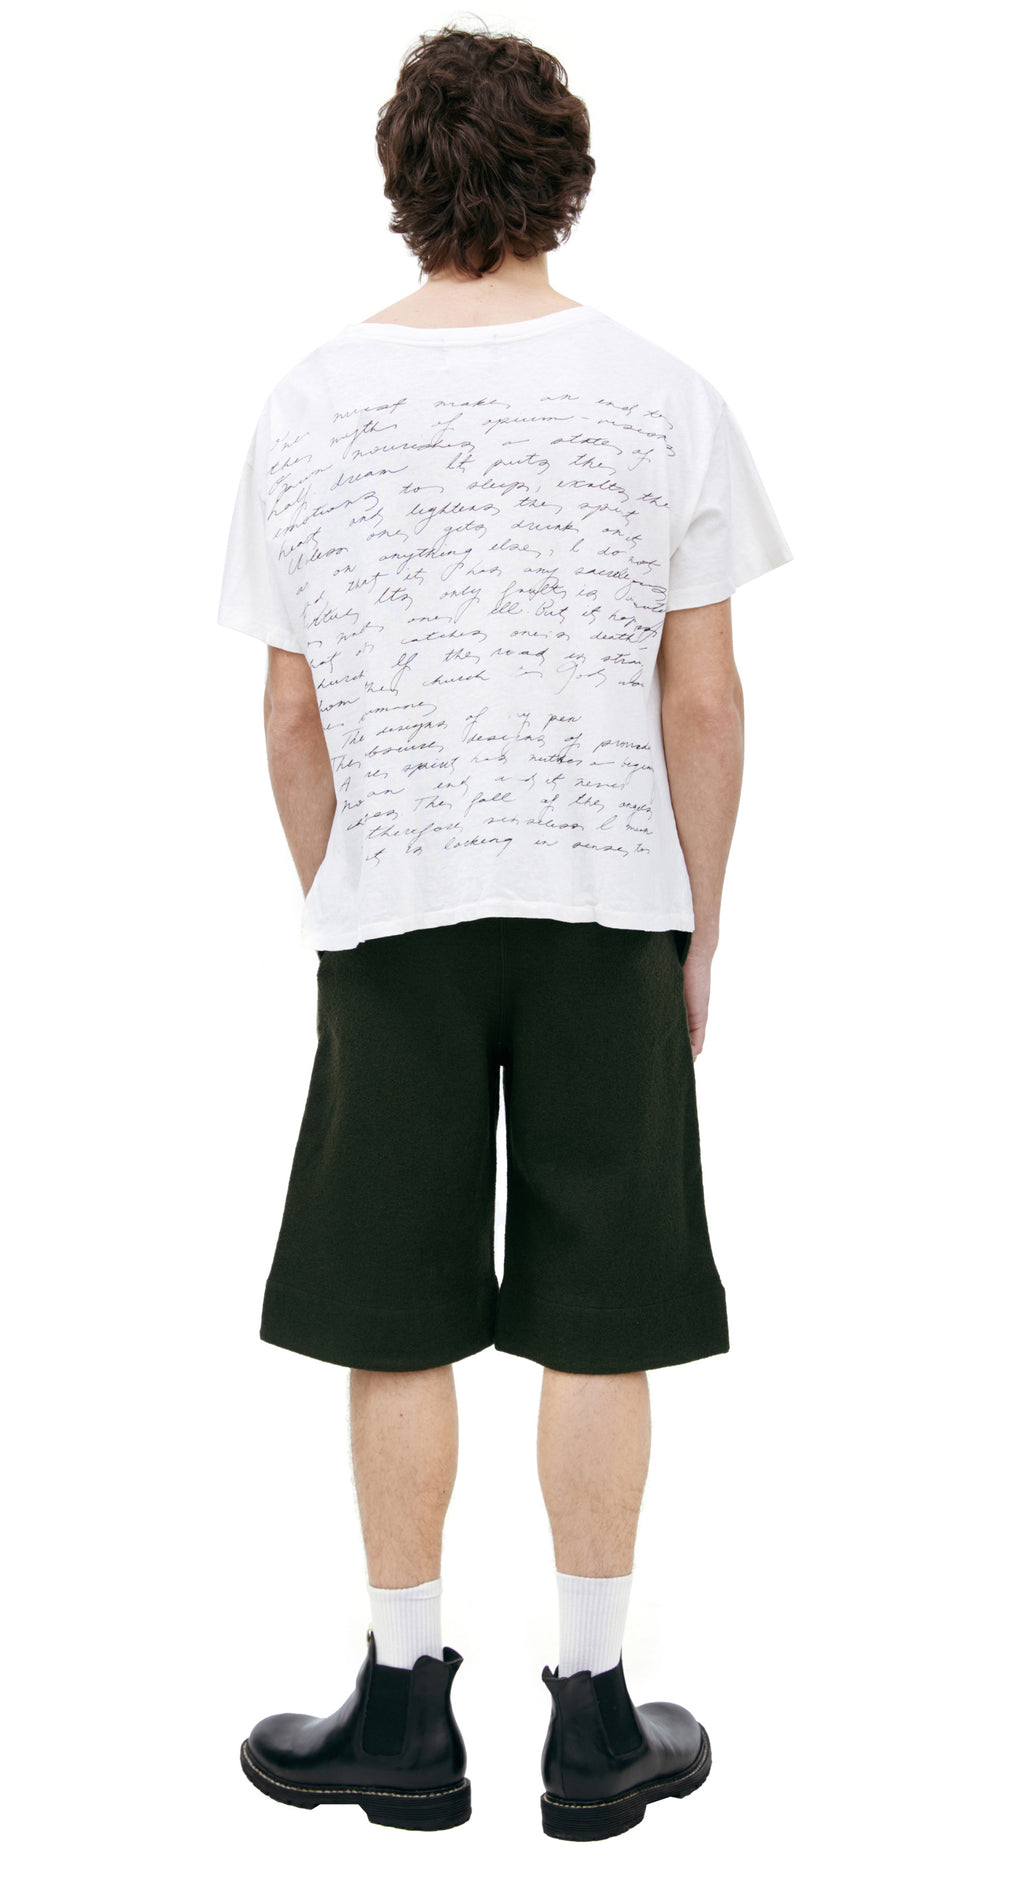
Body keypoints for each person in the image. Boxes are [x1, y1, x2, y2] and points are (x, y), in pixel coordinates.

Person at [216, 22, 792, 1843]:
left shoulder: (311, 401)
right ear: (567, 177)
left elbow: (291, 714)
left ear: (403, 182)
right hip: (605, 899)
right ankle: (597, 1721)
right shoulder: (665, 396)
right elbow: (704, 703)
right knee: (599, 1307)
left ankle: (404, 1709)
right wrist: (698, 927)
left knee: (393, 1306)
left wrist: (341, 883)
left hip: (397, 907)